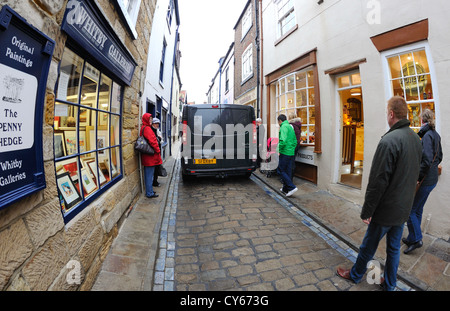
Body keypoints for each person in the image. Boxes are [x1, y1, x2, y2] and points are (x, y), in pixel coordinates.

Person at [336, 96, 422, 291]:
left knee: (368, 246)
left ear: (391, 114)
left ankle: (356, 274)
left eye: (387, 113)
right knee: (393, 249)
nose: (386, 116)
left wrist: (367, 211)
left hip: (386, 209)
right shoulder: (415, 139)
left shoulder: (389, 141)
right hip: (402, 208)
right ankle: (390, 284)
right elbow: (416, 172)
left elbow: (378, 182)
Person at [404, 109, 443, 254]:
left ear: (422, 120)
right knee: (418, 209)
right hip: (432, 180)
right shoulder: (436, 134)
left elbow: (426, 160)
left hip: (425, 180)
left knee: (410, 211)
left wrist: (418, 177)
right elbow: (440, 156)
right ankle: (412, 237)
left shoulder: (426, 136)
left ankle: (417, 239)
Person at [140, 113, 162, 198]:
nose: (151, 121)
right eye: (149, 119)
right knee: (149, 175)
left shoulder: (144, 128)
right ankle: (149, 193)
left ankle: (150, 190)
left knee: (149, 174)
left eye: (151, 119)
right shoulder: (147, 129)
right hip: (150, 156)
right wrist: (158, 150)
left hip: (147, 155)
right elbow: (153, 141)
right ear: (146, 119)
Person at [276, 114, 298, 197]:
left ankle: (292, 187)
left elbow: (283, 140)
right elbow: (295, 141)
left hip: (285, 152)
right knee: (287, 171)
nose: (278, 124)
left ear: (280, 121)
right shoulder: (290, 126)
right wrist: (292, 149)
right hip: (290, 152)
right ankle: (286, 188)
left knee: (280, 170)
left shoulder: (283, 127)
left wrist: (279, 150)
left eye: (278, 122)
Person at [288, 113, 302, 180]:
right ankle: (291, 177)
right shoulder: (298, 124)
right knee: (292, 161)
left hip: (292, 145)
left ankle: (290, 179)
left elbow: (289, 137)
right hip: (297, 144)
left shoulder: (291, 125)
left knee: (290, 162)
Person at [151, 118, 163, 187]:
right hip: (154, 153)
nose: (157, 125)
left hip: (158, 152)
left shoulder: (158, 131)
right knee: (154, 168)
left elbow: (161, 141)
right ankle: (154, 182)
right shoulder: (151, 131)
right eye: (155, 123)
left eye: (158, 123)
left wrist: (160, 139)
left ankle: (155, 181)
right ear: (152, 124)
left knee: (157, 167)